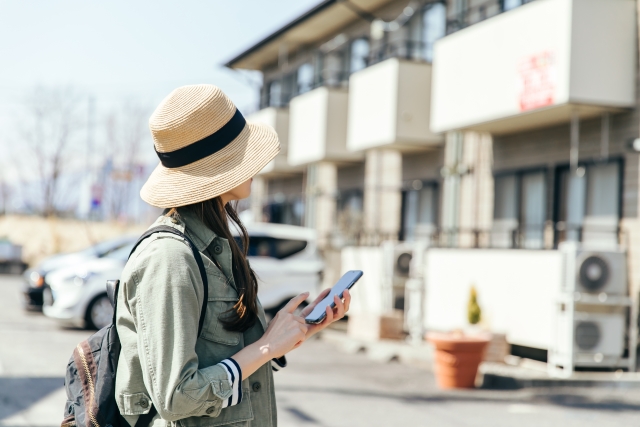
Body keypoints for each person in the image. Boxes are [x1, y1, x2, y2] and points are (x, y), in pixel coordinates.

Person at [115, 84, 351, 427]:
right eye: (241, 154)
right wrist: (266, 347)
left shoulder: (212, 245)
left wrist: (292, 333)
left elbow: (227, 364)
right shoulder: (170, 259)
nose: (253, 164)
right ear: (215, 169)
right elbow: (176, 398)